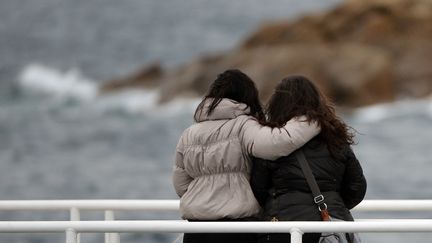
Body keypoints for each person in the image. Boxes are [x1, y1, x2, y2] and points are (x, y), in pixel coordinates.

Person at [172, 69, 321, 243]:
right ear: (246, 96)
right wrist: (310, 119)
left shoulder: (189, 134)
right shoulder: (243, 126)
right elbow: (277, 143)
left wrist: (205, 198)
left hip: (196, 229)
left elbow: (181, 184)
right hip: (237, 228)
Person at [251, 75, 367, 243]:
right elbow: (357, 187)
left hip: (283, 227)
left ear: (277, 104)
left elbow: (258, 188)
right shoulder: (336, 138)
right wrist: (333, 201)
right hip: (331, 225)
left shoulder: (271, 142)